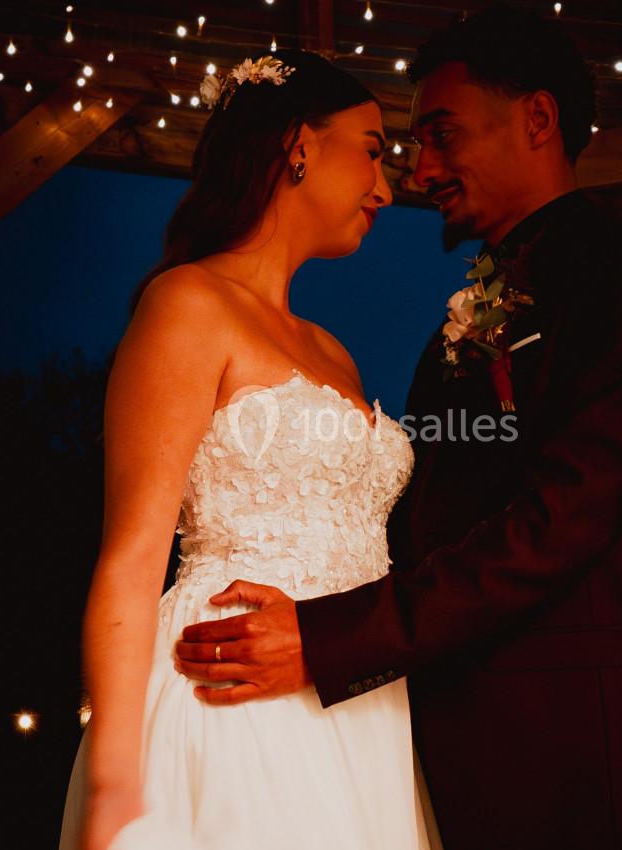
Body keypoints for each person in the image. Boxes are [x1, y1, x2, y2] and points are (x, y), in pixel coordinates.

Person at [174, 7, 622, 849]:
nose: (420, 172)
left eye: (441, 137)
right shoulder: (449, 330)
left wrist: (328, 638)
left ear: (537, 119)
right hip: (409, 744)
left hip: (561, 743)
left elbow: (567, 518)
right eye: (408, 147)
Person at [57, 49, 432, 850]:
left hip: (360, 704)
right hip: (230, 699)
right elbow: (131, 556)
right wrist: (117, 780)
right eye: (371, 150)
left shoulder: (335, 353)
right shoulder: (187, 304)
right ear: (300, 144)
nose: (386, 190)